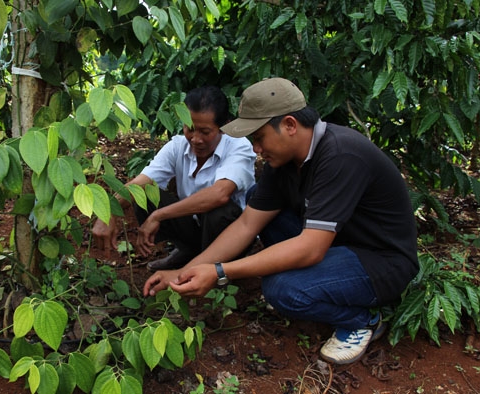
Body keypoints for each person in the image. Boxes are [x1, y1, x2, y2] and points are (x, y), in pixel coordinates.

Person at [143, 77, 419, 365]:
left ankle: (363, 319)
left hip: (381, 261)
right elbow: (248, 224)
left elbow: (311, 248)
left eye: (259, 138)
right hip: (337, 243)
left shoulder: (340, 155)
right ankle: (322, 284)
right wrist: (186, 271)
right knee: (258, 204)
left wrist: (220, 272)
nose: (256, 149)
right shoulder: (285, 160)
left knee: (281, 289)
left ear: (289, 125)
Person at [92, 85, 256, 271]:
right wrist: (108, 213)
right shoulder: (177, 147)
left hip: (233, 234)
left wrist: (158, 215)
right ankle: (188, 251)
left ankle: (217, 266)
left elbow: (220, 194)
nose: (195, 139)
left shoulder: (238, 146)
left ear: (223, 128)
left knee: (219, 211)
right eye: (190, 128)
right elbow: (140, 183)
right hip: (194, 227)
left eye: (205, 132)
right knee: (144, 194)